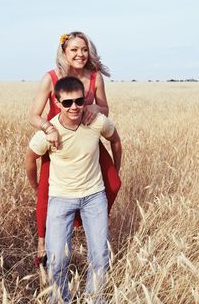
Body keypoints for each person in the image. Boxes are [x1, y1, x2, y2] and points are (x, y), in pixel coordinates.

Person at [28, 31, 121, 266]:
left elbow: (104, 108)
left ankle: (91, 220)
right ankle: (42, 242)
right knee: (46, 193)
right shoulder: (51, 77)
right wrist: (48, 128)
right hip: (57, 142)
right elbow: (33, 115)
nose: (80, 54)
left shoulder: (95, 76)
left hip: (87, 136)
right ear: (64, 52)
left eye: (84, 49)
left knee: (113, 182)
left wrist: (94, 110)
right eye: (74, 50)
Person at [25, 77, 122, 303]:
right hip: (60, 199)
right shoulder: (49, 133)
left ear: (84, 100)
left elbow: (116, 141)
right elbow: (30, 158)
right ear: (57, 103)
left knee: (100, 256)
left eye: (79, 101)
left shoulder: (97, 122)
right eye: (67, 103)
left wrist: (115, 171)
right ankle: (59, 299)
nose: (74, 107)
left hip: (94, 198)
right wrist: (36, 186)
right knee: (57, 259)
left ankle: (95, 299)